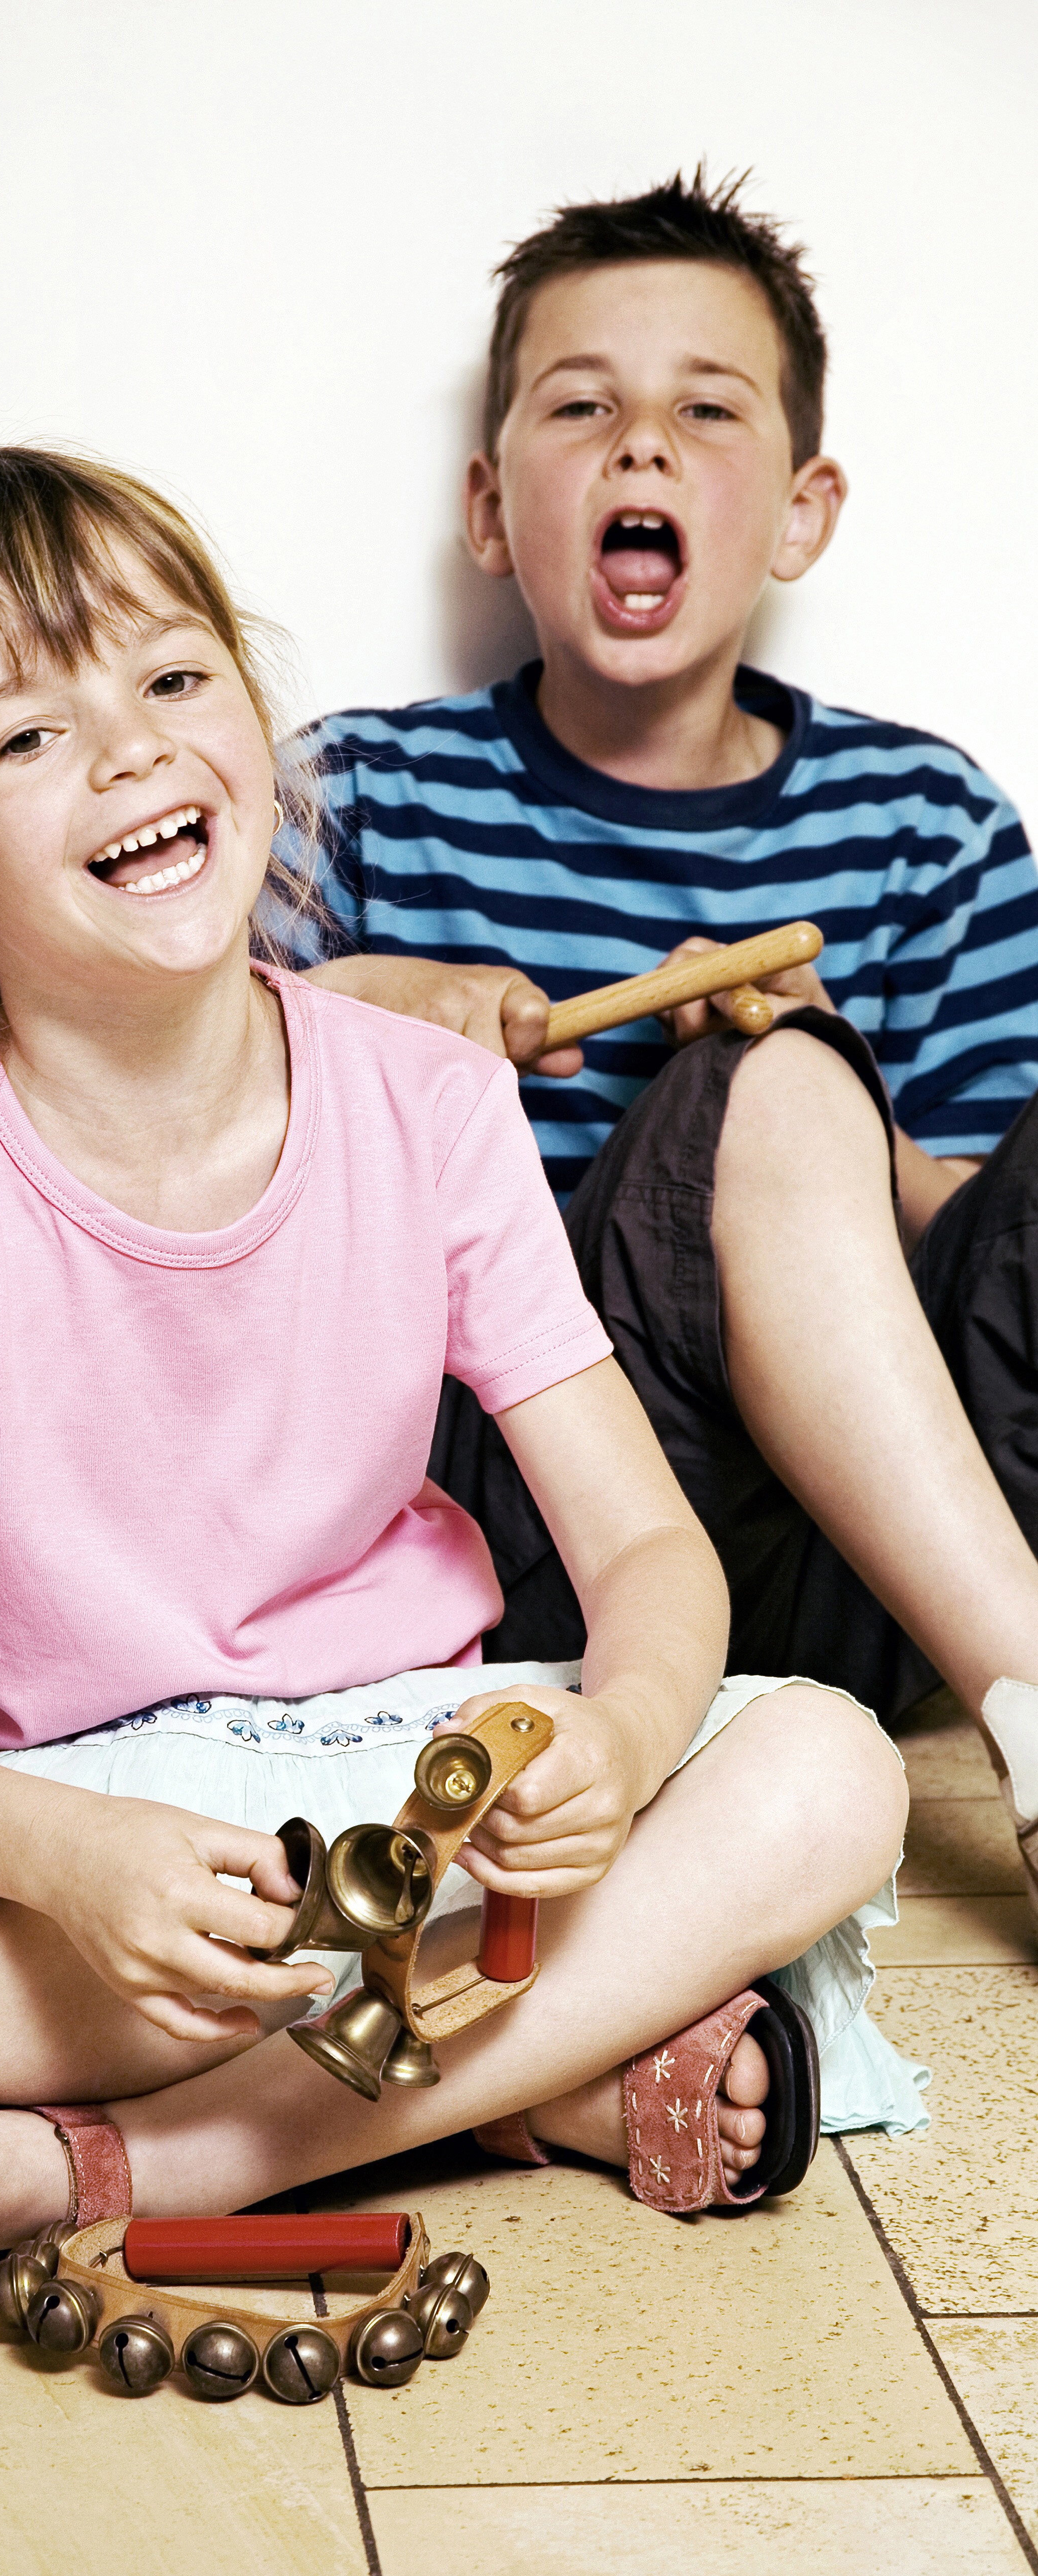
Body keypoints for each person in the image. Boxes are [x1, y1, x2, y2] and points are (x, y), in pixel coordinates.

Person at [0, 446, 915, 2307]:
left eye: (172, 681)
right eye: (28, 738)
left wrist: (623, 1737)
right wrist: (69, 1862)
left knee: (830, 1771)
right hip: (84, 1827)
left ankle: (102, 2166)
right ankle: (522, 2088)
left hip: (414, 1785)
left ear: (252, 708)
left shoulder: (434, 1105)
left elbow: (647, 1554)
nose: (135, 753)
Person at [291, 173, 1038, 1931]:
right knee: (747, 1091)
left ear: (799, 508)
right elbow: (138, 1113)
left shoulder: (926, 822)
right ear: (492, 507)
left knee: (790, 1083)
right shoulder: (358, 800)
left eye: (709, 409)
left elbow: (989, 1261)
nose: (643, 446)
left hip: (887, 1554)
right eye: (581, 407)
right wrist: (353, 1015)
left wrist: (831, 1094)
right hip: (557, 1534)